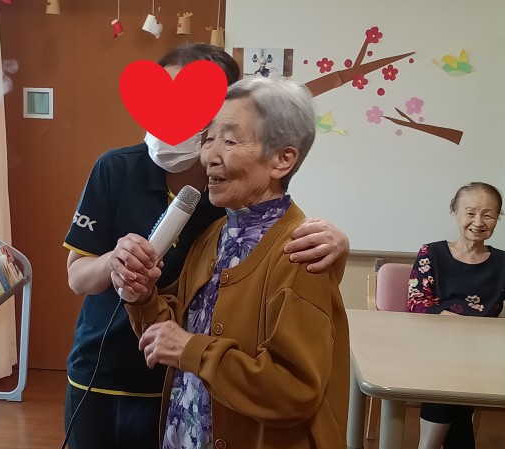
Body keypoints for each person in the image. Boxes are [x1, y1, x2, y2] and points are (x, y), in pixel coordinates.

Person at [63, 44, 350, 449]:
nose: (211, 154)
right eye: (210, 138)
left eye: (227, 140)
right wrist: (141, 295)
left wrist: (191, 349)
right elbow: (179, 320)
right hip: (147, 392)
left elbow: (293, 386)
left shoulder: (293, 247)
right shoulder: (214, 229)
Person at [407, 182, 505, 449]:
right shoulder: (432, 253)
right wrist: (449, 320)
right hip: (433, 346)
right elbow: (416, 302)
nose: (478, 222)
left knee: (457, 377)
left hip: (480, 354)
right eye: (470, 212)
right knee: (449, 374)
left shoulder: (502, 262)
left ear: (497, 218)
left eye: (488, 214)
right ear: (455, 211)